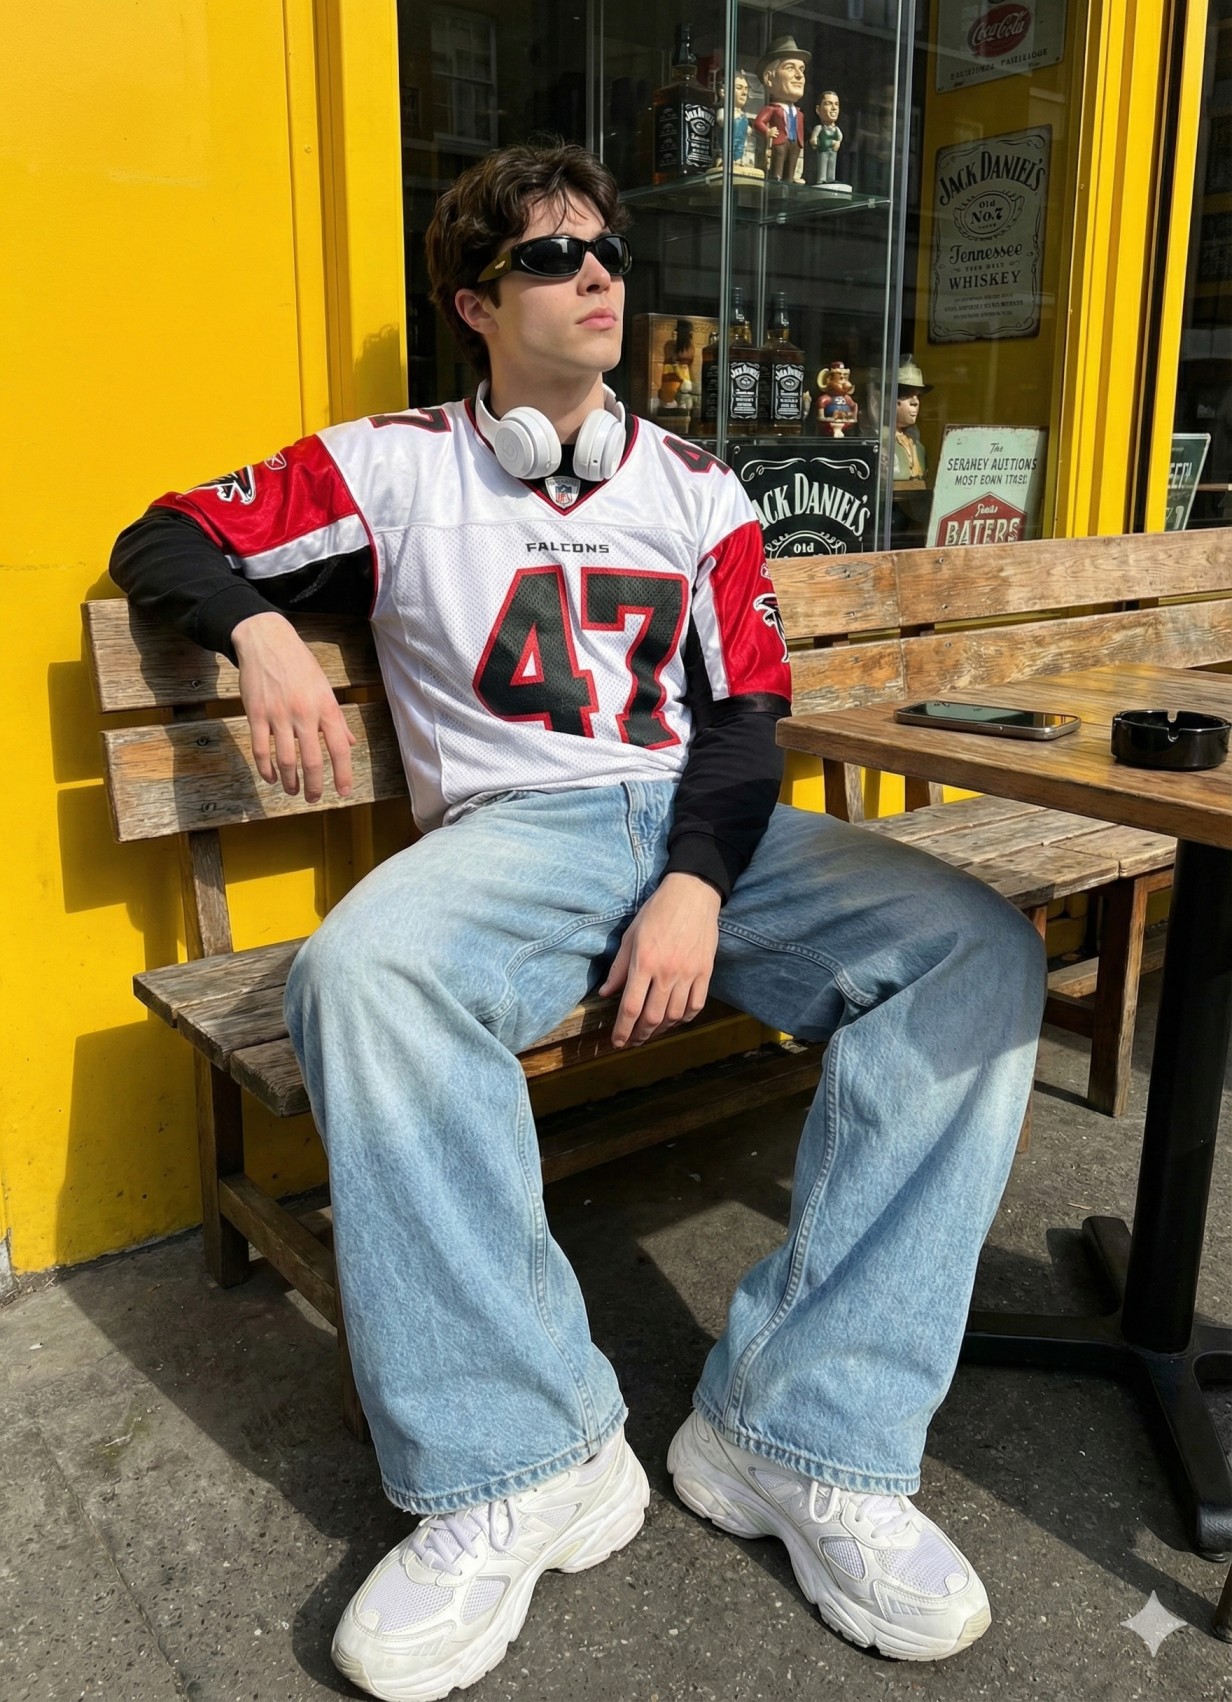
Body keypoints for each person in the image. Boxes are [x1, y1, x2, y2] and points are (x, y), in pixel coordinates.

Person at [110, 142, 1045, 1700]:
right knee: (366, 974)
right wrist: (263, 629)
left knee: (976, 948)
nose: (598, 273)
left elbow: (747, 717)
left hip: (695, 818)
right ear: (477, 303)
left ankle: (799, 1434)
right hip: (514, 838)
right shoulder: (389, 465)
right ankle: (526, 1459)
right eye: (552, 258)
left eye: (608, 249)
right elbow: (164, 536)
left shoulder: (699, 487)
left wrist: (694, 879)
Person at [752, 37, 810, 182]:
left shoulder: (799, 112)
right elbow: (759, 123)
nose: (799, 75)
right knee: (778, 162)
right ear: (769, 78)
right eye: (790, 67)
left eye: (802, 69)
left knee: (791, 164)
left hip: (795, 144)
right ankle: (776, 178)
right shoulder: (772, 109)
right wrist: (767, 131)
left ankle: (789, 179)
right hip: (779, 143)